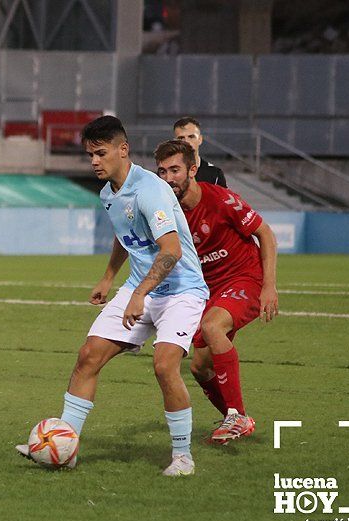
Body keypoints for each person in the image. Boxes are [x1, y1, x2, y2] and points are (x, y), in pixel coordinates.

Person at [17, 116, 209, 476]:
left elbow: (171, 251)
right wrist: (107, 279)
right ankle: (65, 445)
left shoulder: (150, 190)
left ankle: (183, 457)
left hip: (181, 292)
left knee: (165, 365)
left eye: (100, 153)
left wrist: (138, 294)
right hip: (140, 288)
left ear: (123, 150)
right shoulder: (109, 194)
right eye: (90, 154)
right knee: (88, 355)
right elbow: (127, 236)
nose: (94, 161)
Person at [154, 139, 278, 443]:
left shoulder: (222, 200)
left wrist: (269, 286)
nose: (168, 178)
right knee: (199, 367)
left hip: (244, 279)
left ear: (193, 170)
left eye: (175, 170)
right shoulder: (168, 213)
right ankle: (236, 420)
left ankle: (236, 415)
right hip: (208, 291)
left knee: (212, 327)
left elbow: (266, 234)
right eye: (162, 172)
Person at [173, 117, 226, 188]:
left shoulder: (214, 174)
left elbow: (225, 198)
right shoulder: (166, 174)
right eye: (181, 138)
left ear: (200, 139)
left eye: (191, 137)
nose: (186, 142)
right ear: (175, 142)